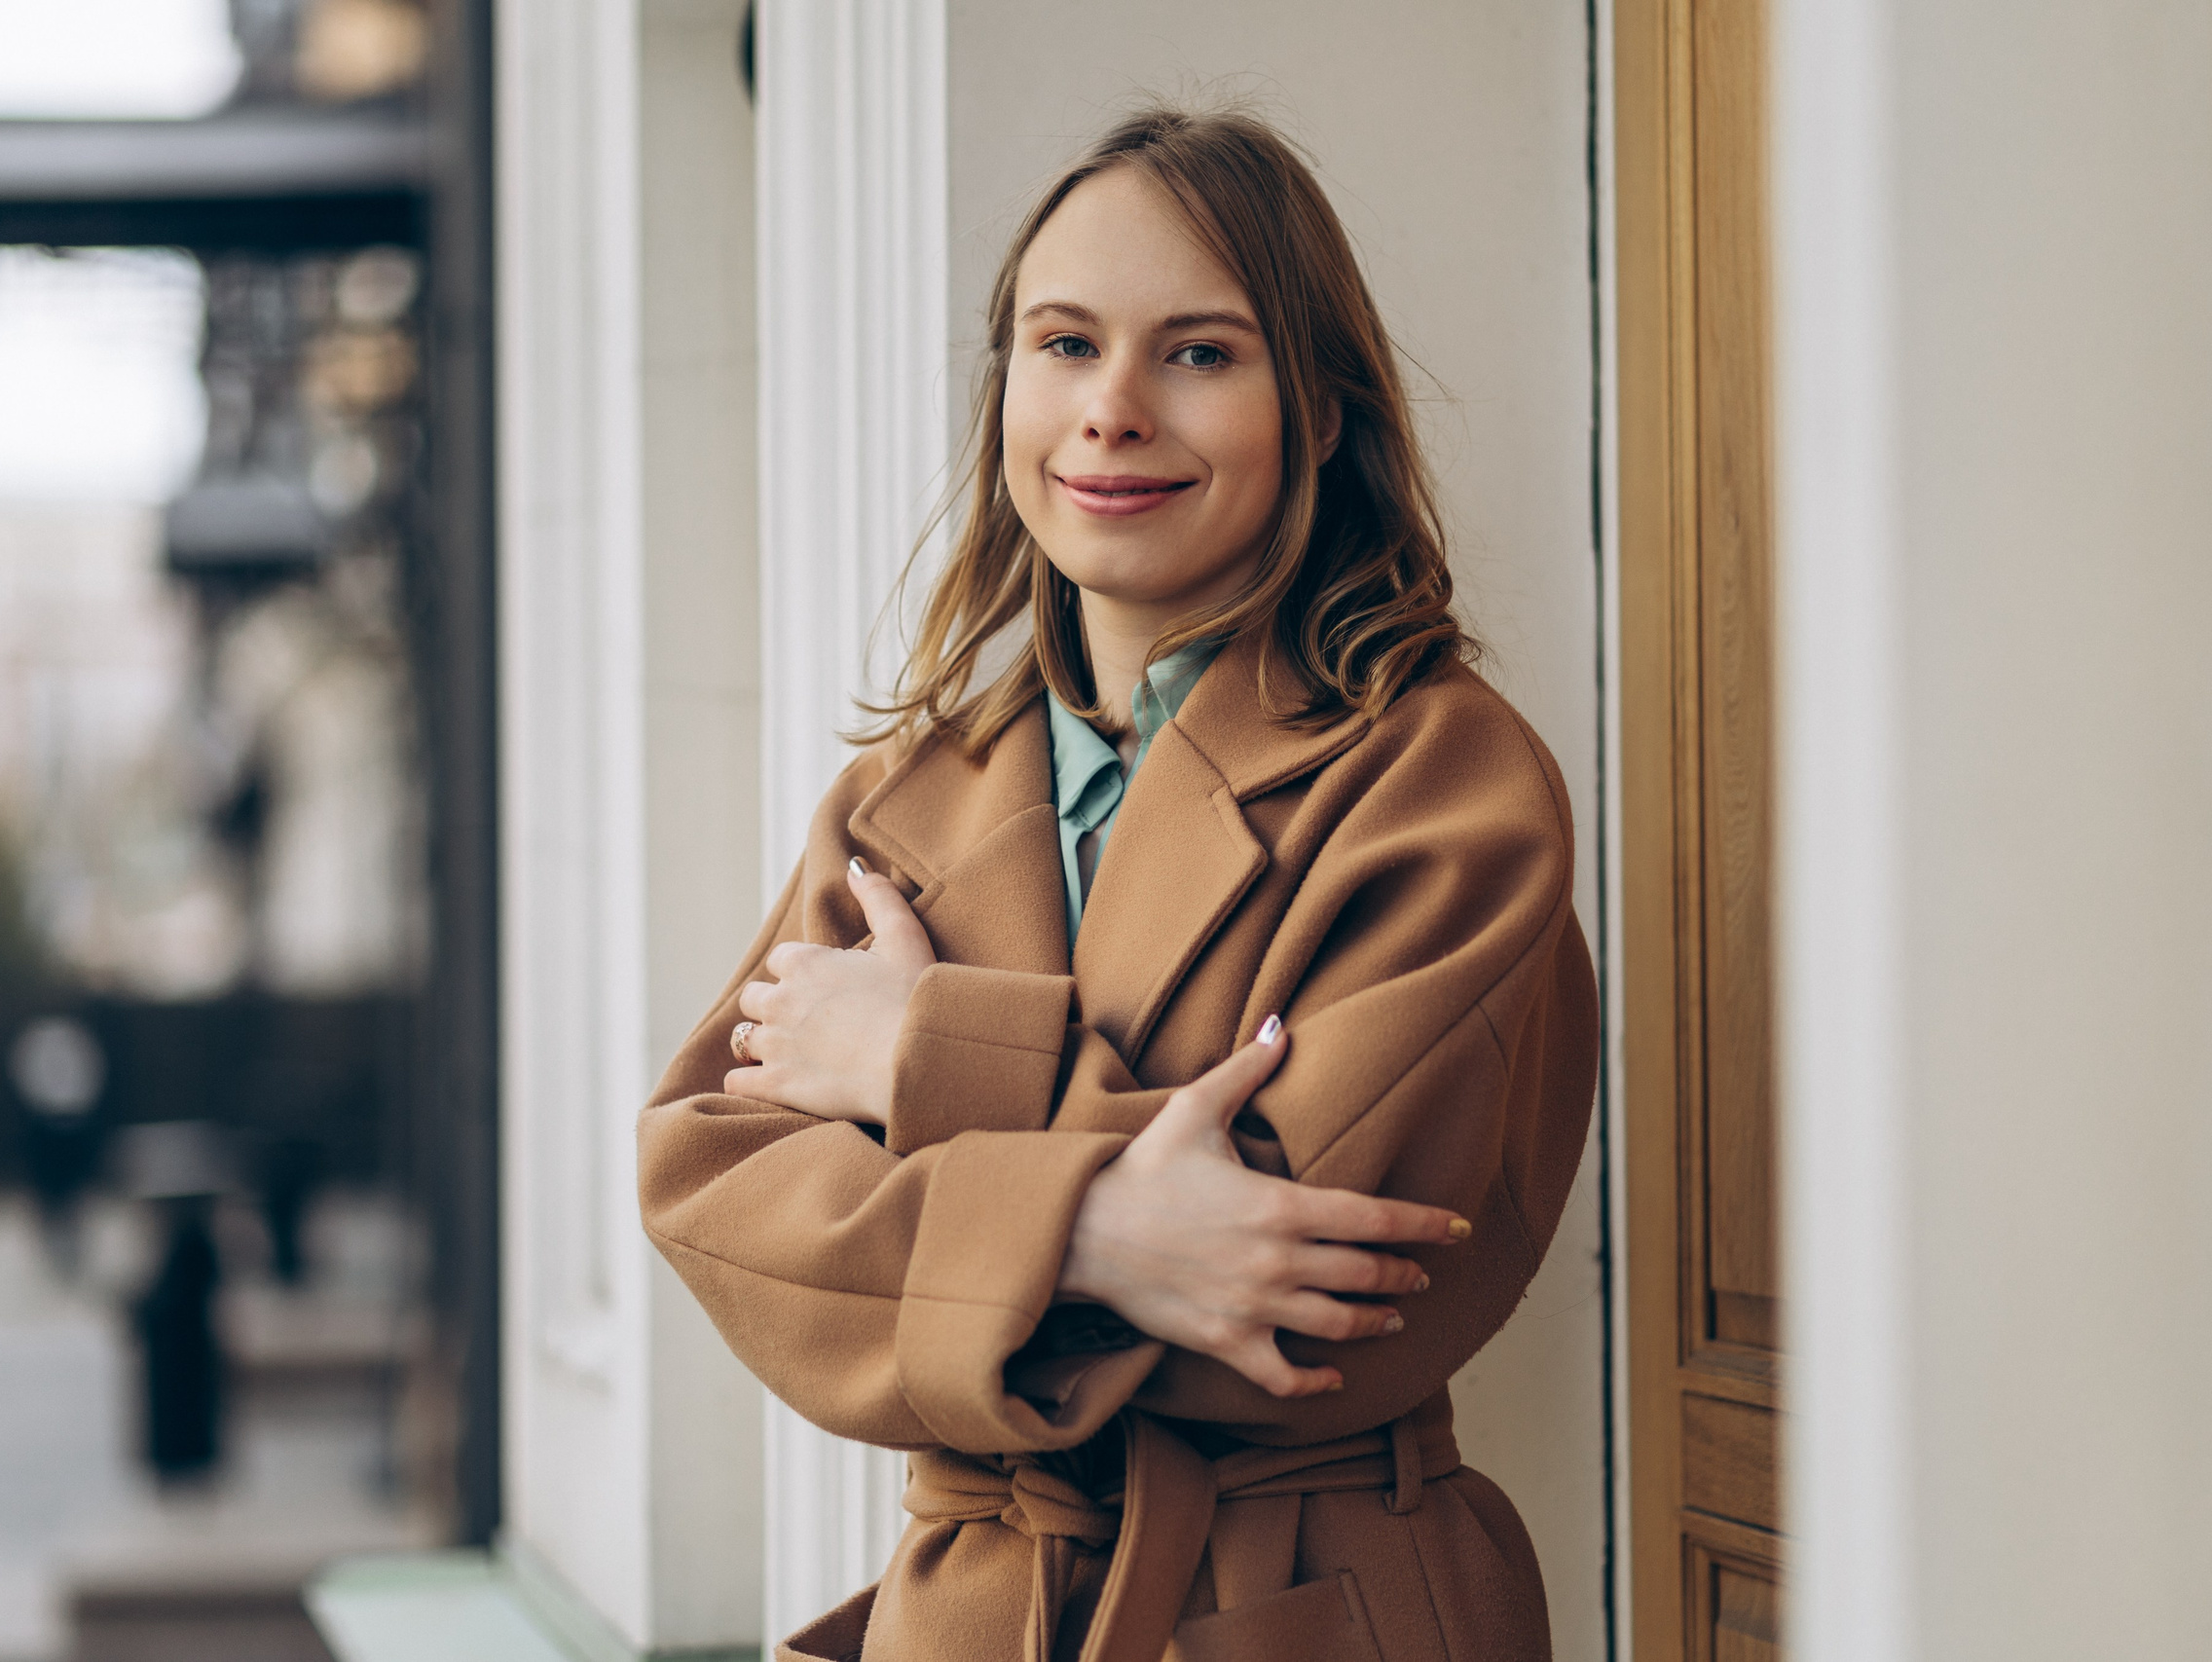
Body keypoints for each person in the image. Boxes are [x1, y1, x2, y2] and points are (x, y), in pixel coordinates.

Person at [640, 105, 1598, 1662]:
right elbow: (718, 1194)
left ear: (1323, 412)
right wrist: (1101, 1235)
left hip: (1319, 1605)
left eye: (1201, 354)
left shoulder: (1444, 777)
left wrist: (914, 1057)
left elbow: (1307, 1278)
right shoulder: (906, 796)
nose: (1114, 411)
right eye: (1064, 344)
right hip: (974, 1609)